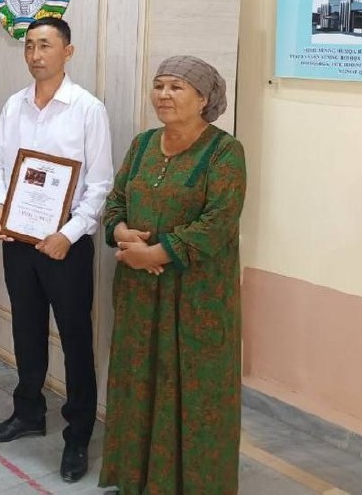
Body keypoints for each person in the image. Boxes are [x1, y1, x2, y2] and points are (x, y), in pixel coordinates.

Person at [99, 56, 246, 493]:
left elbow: (219, 222)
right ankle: (135, 480)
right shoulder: (143, 144)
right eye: (159, 85)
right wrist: (119, 231)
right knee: (138, 382)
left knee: (194, 391)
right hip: (139, 294)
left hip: (196, 300)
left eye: (176, 87)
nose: (163, 95)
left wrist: (157, 252)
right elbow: (116, 199)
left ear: (203, 99)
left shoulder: (224, 152)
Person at [0, 17, 113, 483]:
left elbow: (100, 185)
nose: (35, 55)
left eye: (45, 45)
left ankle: (78, 434)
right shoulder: (13, 105)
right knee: (26, 328)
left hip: (66, 246)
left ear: (67, 52)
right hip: (19, 240)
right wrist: (0, 205)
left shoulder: (87, 109)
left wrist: (69, 234)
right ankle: (28, 412)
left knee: (75, 338)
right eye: (30, 46)